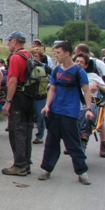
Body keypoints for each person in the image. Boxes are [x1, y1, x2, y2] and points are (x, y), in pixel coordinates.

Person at [38, 41, 94, 185]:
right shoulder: (57, 70)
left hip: (70, 113)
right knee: (51, 142)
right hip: (55, 112)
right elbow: (53, 89)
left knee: (73, 144)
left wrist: (88, 109)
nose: (56, 55)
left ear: (67, 53)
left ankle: (82, 172)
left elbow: (87, 91)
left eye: (58, 53)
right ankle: (46, 169)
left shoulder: (78, 72)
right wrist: (47, 106)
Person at [1, 31, 35, 176]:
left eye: (9, 41)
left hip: (18, 98)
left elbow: (13, 80)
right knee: (27, 130)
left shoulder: (15, 57)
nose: (8, 44)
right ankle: (26, 162)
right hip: (29, 97)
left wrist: (8, 101)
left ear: (15, 41)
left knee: (17, 131)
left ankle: (19, 165)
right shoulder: (28, 55)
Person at [74, 53, 105, 157]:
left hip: (91, 104)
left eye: (81, 62)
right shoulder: (70, 76)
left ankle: (86, 135)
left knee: (91, 112)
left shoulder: (93, 76)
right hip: (74, 103)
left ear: (86, 65)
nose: (79, 63)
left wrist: (98, 86)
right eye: (77, 61)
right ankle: (78, 138)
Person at [31, 46, 51, 145]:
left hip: (41, 96)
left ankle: (40, 136)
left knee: (40, 116)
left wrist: (49, 84)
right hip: (30, 95)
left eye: (37, 56)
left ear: (41, 57)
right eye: (33, 56)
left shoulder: (45, 67)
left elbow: (52, 78)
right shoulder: (29, 66)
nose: (35, 58)